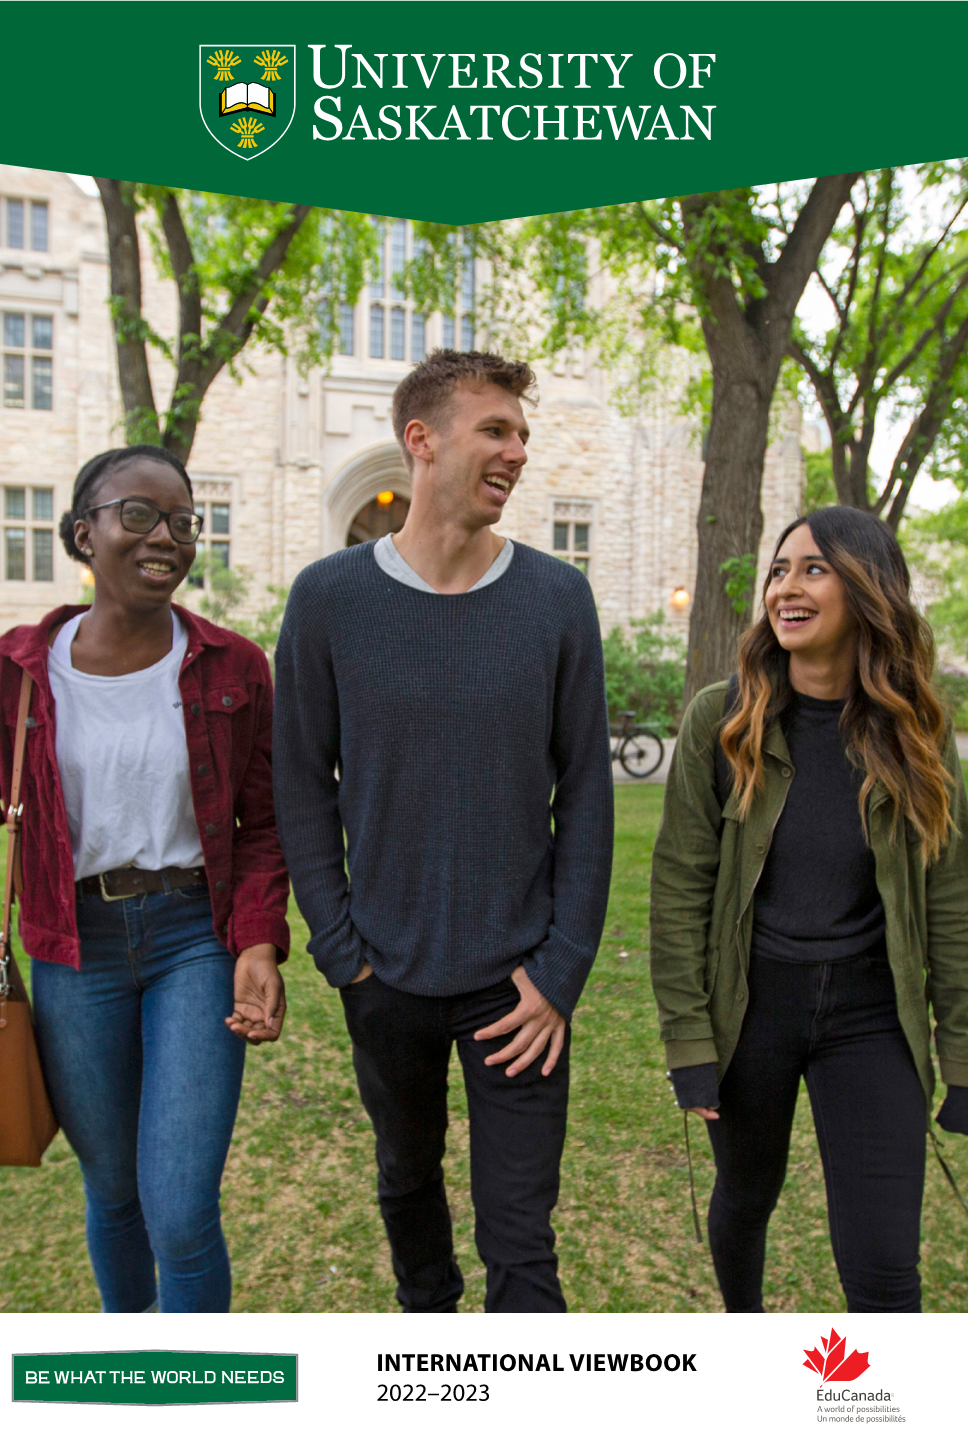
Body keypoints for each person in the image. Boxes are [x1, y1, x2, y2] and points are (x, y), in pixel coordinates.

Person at [273, 350, 614, 1313]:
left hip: (519, 989)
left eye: (522, 436)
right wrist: (343, 954)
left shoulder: (556, 600)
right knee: (407, 1194)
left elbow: (588, 793)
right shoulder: (330, 600)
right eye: (495, 431)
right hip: (385, 979)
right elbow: (299, 781)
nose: (515, 452)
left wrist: (560, 972)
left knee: (523, 1242)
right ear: (420, 442)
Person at [0, 444, 290, 1314]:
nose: (164, 537)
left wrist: (256, 938)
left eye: (182, 521)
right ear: (82, 533)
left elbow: (267, 822)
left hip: (192, 942)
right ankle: (128, 1367)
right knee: (112, 1194)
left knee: (178, 1208)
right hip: (73, 949)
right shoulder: (17, 671)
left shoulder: (235, 668)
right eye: (137, 515)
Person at [650, 506, 968, 1314]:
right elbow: (681, 888)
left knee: (886, 1261)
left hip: (871, 1016)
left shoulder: (919, 737)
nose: (787, 588)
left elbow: (953, 905)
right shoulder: (720, 723)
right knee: (745, 1196)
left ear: (869, 590)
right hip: (752, 1009)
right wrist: (689, 1039)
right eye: (780, 570)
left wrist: (962, 1058)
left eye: (814, 569)